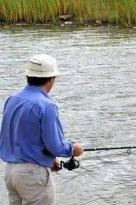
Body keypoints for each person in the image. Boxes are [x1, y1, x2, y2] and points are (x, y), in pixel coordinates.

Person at [0, 54, 84, 205]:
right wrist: (74, 149)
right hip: (33, 176)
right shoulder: (47, 106)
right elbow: (56, 146)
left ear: (28, 76)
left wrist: (49, 159)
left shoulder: (12, 99)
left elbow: (11, 137)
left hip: (10, 173)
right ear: (51, 79)